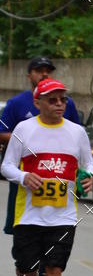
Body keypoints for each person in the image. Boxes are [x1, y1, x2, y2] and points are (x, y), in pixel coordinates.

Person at [0, 79, 93, 276]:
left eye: (63, 99)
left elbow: (89, 164)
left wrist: (89, 176)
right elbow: (6, 166)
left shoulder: (77, 132)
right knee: (27, 267)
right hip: (29, 214)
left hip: (63, 216)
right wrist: (23, 177)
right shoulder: (24, 129)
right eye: (52, 99)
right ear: (37, 102)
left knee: (54, 269)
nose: (59, 104)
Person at [1, 56, 81, 236]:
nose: (44, 74)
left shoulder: (67, 103)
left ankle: (50, 261)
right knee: (22, 229)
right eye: (39, 71)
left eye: (48, 71)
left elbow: (78, 133)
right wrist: (26, 141)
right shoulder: (16, 103)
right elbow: (2, 131)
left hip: (59, 171)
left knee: (55, 232)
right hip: (27, 170)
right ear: (29, 75)